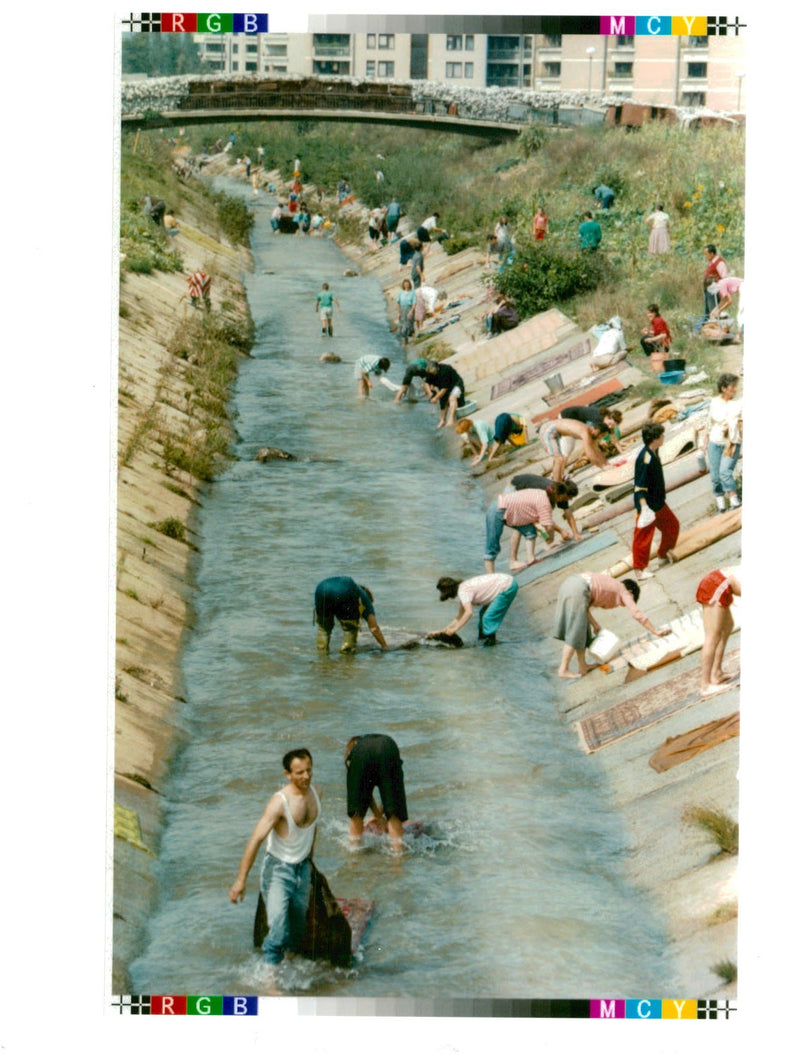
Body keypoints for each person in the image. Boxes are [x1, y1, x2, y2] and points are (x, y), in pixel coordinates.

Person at [228, 748, 320, 970]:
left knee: (298, 928)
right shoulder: (279, 803)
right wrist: (240, 881)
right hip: (278, 870)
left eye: (308, 770)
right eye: (299, 773)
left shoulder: (316, 793)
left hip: (303, 868)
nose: (306, 777)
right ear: (287, 774)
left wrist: (310, 861)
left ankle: (290, 970)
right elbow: (256, 839)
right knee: (278, 931)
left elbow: (312, 831)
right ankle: (269, 979)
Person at [553, 573, 669, 678]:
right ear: (631, 592)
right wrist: (655, 631)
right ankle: (563, 669)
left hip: (571, 583)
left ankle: (583, 666)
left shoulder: (611, 583)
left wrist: (595, 625)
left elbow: (585, 608)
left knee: (582, 628)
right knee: (575, 631)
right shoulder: (624, 591)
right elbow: (636, 613)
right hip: (578, 588)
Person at [632, 421, 680, 580]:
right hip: (648, 505)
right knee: (643, 538)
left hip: (658, 502)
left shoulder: (654, 451)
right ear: (655, 438)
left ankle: (662, 553)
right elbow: (639, 485)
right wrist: (644, 508)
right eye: (661, 435)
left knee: (672, 526)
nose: (664, 437)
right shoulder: (645, 458)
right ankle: (639, 570)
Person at [345, 734, 408, 852]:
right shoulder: (383, 744)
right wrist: (380, 816)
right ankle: (398, 858)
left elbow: (363, 794)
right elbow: (390, 795)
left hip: (361, 752)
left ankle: (354, 854)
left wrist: (378, 816)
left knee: (356, 815)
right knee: (394, 815)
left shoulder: (357, 752)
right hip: (388, 747)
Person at [434, 572, 519, 647]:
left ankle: (490, 643)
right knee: (483, 613)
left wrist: (454, 630)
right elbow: (459, 617)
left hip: (507, 586)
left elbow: (469, 613)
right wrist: (443, 631)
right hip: (507, 581)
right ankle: (482, 640)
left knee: (488, 617)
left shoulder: (463, 592)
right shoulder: (463, 587)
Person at [484, 488, 555, 573]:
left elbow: (542, 523)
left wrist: (547, 538)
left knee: (530, 531)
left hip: (509, 509)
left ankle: (531, 559)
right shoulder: (544, 502)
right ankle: (491, 575)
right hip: (498, 509)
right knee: (492, 543)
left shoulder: (541, 494)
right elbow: (548, 526)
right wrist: (550, 540)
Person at [699, 372, 742, 511]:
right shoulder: (714, 402)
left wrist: (732, 427)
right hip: (714, 442)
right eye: (732, 387)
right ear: (724, 388)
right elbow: (709, 423)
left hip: (731, 443)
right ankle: (721, 505)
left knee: (725, 472)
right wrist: (704, 444)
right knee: (716, 477)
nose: (735, 390)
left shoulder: (737, 405)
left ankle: (735, 502)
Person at [696, 566, 741, 696]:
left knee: (727, 626)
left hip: (722, 583)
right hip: (716, 584)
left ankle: (716, 673)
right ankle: (705, 686)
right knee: (713, 635)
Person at [313, 576, 388, 653]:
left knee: (324, 629)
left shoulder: (354, 589)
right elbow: (374, 628)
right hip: (345, 591)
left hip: (321, 589)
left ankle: (322, 656)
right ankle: (346, 656)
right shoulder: (364, 598)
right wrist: (384, 646)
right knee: (350, 629)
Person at [510, 474, 582, 543]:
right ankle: (547, 544)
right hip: (515, 487)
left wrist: (576, 533)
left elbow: (568, 513)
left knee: (534, 523)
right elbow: (544, 519)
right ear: (564, 494)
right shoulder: (549, 494)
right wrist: (561, 531)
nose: (570, 500)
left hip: (526, 487)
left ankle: (548, 543)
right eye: (570, 497)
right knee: (525, 524)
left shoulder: (561, 492)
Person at [537, 415, 609, 481]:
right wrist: (602, 467)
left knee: (560, 458)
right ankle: (557, 484)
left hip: (554, 430)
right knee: (559, 459)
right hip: (548, 430)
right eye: (601, 435)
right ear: (596, 430)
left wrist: (606, 464)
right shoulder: (585, 432)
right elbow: (590, 454)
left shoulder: (591, 433)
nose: (600, 438)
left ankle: (558, 479)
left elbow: (596, 449)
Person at [424, 360, 466, 428]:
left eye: (434, 373)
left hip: (456, 384)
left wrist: (436, 398)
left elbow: (444, 389)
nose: (433, 374)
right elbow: (426, 383)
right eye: (431, 373)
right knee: (443, 402)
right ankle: (442, 420)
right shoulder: (430, 372)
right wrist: (430, 394)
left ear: (437, 368)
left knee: (452, 398)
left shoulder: (445, 370)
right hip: (444, 386)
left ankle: (451, 419)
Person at [640, 304, 673, 370]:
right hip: (662, 343)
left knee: (644, 339)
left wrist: (652, 339)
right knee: (645, 338)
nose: (649, 315)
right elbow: (657, 333)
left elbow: (664, 335)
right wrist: (648, 332)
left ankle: (653, 357)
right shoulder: (654, 321)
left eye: (651, 313)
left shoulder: (658, 320)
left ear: (655, 313)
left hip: (665, 345)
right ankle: (654, 357)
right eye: (648, 313)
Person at [702, 244, 729, 320]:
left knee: (713, 312)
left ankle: (718, 328)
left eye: (706, 254)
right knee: (708, 312)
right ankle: (706, 328)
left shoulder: (719, 263)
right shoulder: (712, 261)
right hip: (709, 290)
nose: (705, 256)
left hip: (714, 291)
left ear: (712, 253)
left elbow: (724, 278)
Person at [396, 279, 416, 344]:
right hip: (402, 310)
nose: (406, 286)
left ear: (409, 285)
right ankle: (405, 341)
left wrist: (411, 311)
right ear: (403, 285)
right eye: (405, 284)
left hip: (409, 309)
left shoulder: (412, 293)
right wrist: (398, 312)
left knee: (410, 324)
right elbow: (398, 303)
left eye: (407, 284)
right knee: (403, 325)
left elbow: (414, 303)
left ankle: (414, 339)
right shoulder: (400, 293)